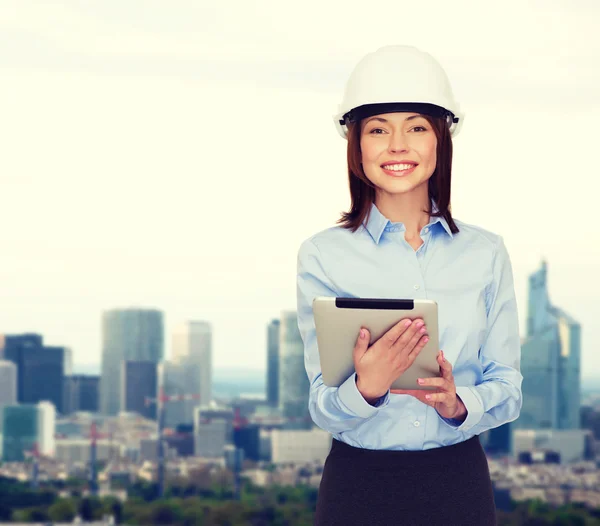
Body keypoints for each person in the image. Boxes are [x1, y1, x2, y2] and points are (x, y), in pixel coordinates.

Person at [296, 45, 523, 526]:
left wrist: (458, 403)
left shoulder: (485, 253)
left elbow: (508, 385)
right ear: (356, 145)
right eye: (378, 130)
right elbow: (322, 405)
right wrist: (367, 388)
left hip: (456, 483)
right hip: (357, 487)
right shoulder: (322, 255)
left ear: (442, 139)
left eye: (416, 127)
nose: (397, 145)